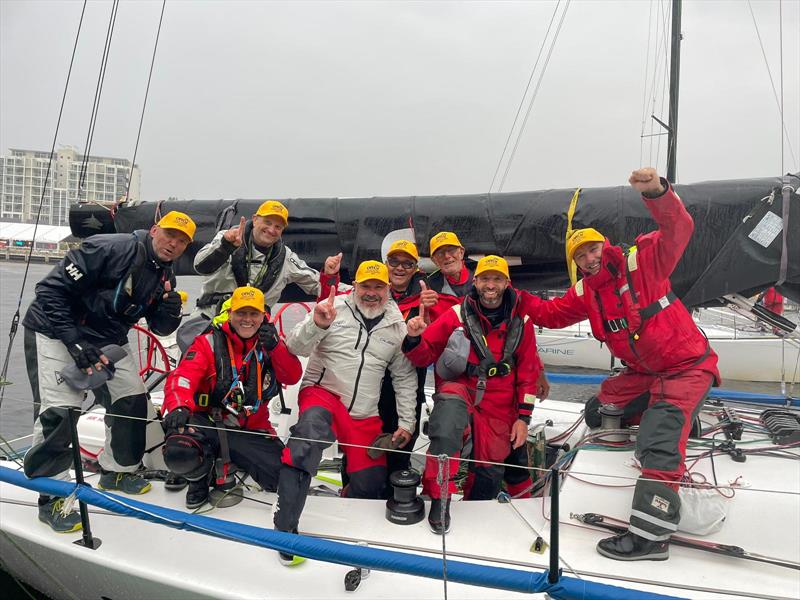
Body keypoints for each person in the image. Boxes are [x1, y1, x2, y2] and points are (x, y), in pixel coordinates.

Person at [519, 167, 721, 561]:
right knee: (600, 409)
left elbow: (679, 227)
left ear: (604, 246)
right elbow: (548, 313)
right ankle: (685, 417)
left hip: (685, 366)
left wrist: (657, 193)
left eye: (593, 249)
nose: (589, 258)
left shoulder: (643, 262)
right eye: (580, 254)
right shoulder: (585, 292)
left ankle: (650, 537)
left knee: (658, 443)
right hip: (645, 373)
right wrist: (506, 294)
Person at [22, 211, 196, 533]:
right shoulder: (108, 248)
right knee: (61, 411)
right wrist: (75, 344)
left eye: (182, 241)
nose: (174, 243)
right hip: (54, 331)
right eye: (170, 234)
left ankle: (116, 471)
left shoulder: (164, 275)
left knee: (131, 398)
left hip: (106, 339)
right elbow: (48, 293)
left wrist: (170, 314)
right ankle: (51, 499)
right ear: (155, 230)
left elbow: (159, 326)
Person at [273, 260, 418, 565]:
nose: (371, 293)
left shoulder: (397, 325)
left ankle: (351, 522)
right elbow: (296, 346)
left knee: (372, 485)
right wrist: (318, 324)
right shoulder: (332, 307)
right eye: (365, 286)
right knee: (307, 438)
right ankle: (285, 526)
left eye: (378, 287)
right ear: (355, 287)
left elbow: (404, 377)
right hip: (323, 393)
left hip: (363, 411)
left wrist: (406, 422)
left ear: (388, 289)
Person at [403, 255, 541, 534]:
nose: (491, 285)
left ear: (507, 283)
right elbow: (424, 355)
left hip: (501, 403)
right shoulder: (456, 315)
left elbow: (528, 371)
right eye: (485, 279)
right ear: (475, 281)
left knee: (490, 471)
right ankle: (439, 499)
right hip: (463, 388)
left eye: (497, 279)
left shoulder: (522, 321)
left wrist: (523, 419)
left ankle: (477, 513)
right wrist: (415, 338)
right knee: (446, 424)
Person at [160, 287, 302, 508]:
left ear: (263, 316)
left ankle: (226, 461)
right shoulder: (207, 342)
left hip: (250, 428)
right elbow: (182, 377)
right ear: (230, 314)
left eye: (253, 314)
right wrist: (179, 406)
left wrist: (276, 348)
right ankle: (197, 481)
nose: (247, 320)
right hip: (208, 423)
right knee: (181, 448)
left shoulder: (271, 344)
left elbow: (292, 377)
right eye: (241, 313)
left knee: (282, 478)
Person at [192, 200, 341, 317]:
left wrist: (330, 275)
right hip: (210, 318)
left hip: (252, 328)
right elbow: (200, 266)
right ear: (255, 219)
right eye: (268, 222)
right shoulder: (228, 237)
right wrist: (225, 246)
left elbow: (318, 285)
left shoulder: (286, 258)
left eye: (278, 227)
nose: (271, 230)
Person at [424, 231, 477, 321]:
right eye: (440, 253)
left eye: (451, 250)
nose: (447, 256)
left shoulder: (485, 276)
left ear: (461, 252)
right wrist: (425, 313)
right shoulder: (429, 291)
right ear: (434, 261)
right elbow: (429, 330)